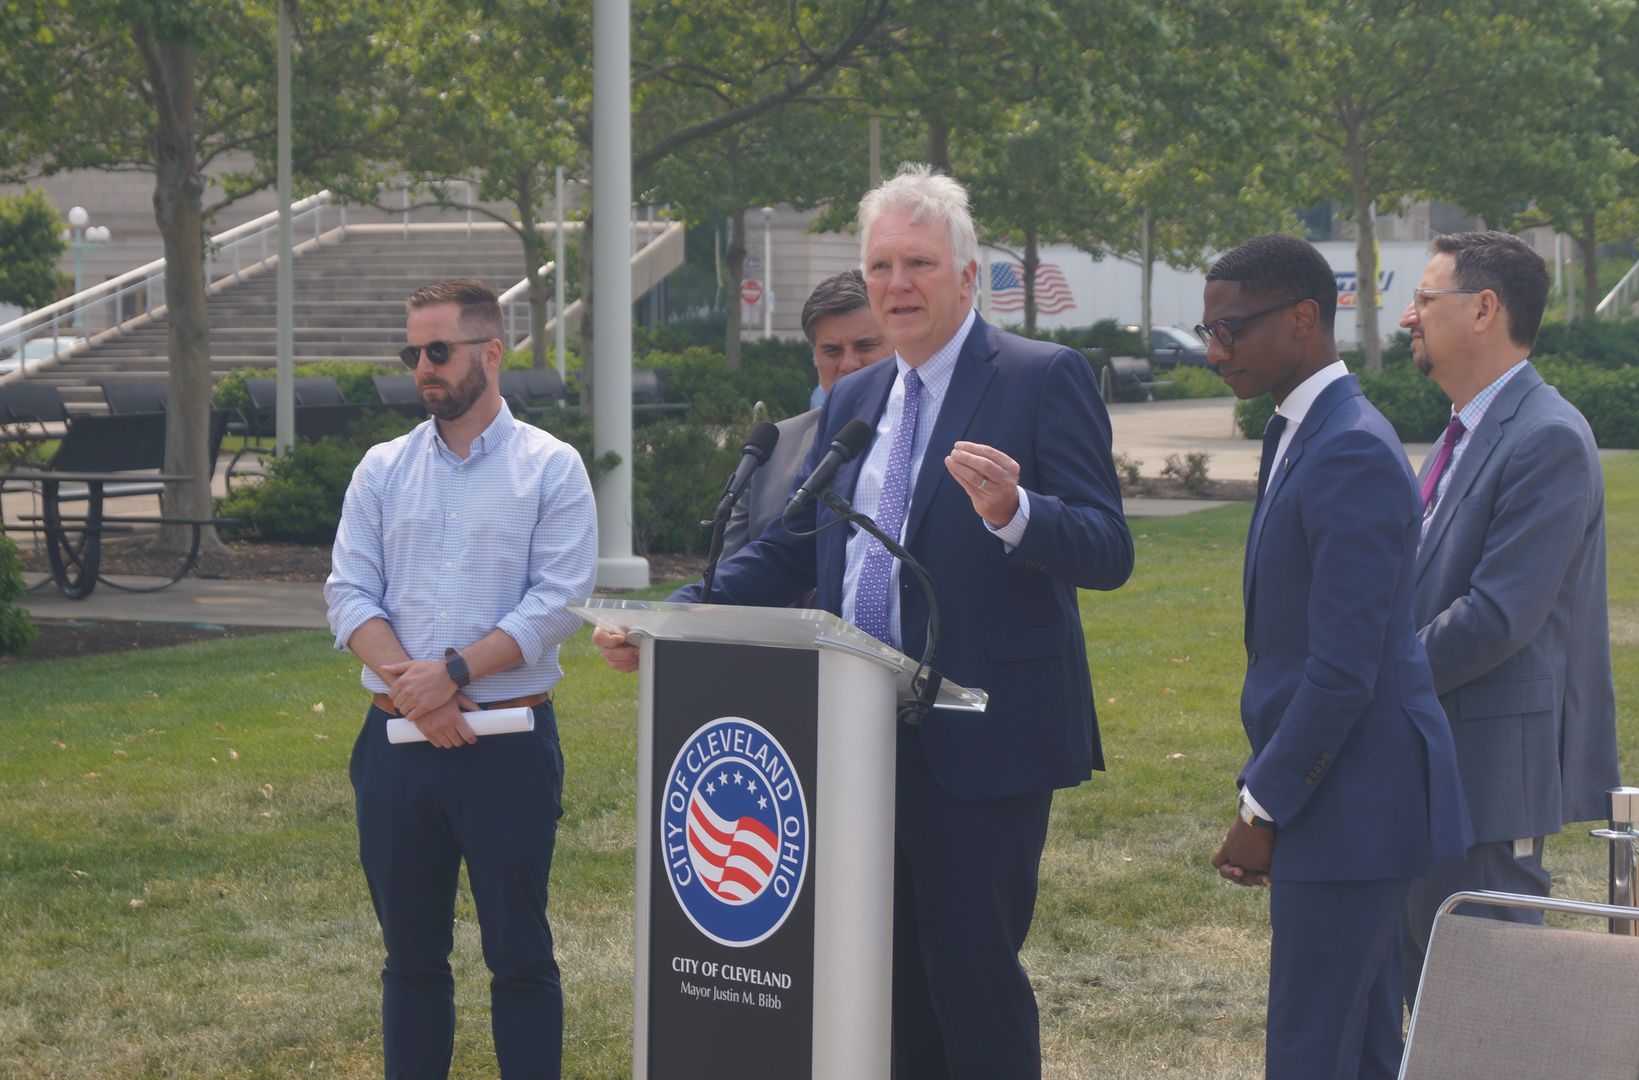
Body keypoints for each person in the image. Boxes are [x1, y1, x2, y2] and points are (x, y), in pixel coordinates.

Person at [595, 164, 1133, 1079]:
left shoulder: (1042, 378)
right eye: (881, 265)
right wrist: (676, 618)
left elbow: (1108, 549)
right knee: (877, 989)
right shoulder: (853, 399)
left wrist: (1016, 513)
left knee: (972, 985)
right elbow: (796, 549)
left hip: (980, 741)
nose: (897, 285)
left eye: (919, 263)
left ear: (967, 276)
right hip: (850, 741)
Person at [1204, 233, 1471, 1080]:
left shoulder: (1349, 444)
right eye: (1209, 331)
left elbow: (1343, 669)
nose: (1215, 352)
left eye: (1233, 330)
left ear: (1305, 318)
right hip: (1343, 794)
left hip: (1354, 800)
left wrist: (1263, 809)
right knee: (1352, 1049)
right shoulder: (1300, 428)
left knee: (1312, 1051)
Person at [325, 278, 597, 1080]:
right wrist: (417, 690)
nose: (422, 368)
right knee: (409, 960)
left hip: (506, 744)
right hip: (395, 747)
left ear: (489, 352)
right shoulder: (382, 468)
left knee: (519, 955)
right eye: (412, 352)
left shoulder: (551, 467)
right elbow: (348, 593)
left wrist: (451, 675)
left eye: (437, 350)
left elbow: (557, 600)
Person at [1394, 230, 1620, 990]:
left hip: (1487, 779)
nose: (1408, 317)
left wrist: (1369, 676)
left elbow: (1497, 617)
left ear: (1484, 308)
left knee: (1488, 1013)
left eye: (1425, 299)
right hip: (1436, 761)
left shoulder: (1545, 436)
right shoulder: (1470, 428)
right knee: (1431, 1003)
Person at [720, 268, 890, 559]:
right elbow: (729, 577)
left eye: (865, 346)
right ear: (813, 357)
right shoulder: (770, 450)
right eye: (831, 351)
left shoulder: (925, 442)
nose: (849, 364)